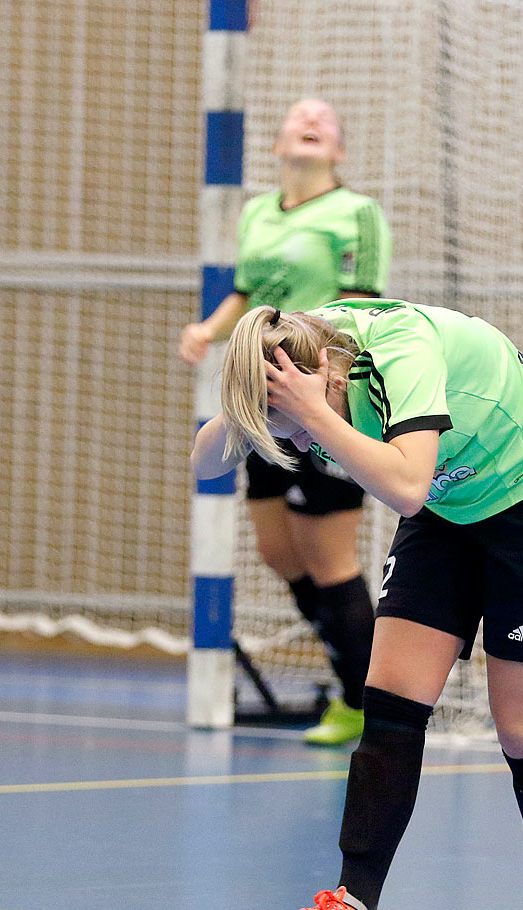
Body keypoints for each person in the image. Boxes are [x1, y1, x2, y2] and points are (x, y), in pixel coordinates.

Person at [191, 299, 523, 910]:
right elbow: (206, 462)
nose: (299, 445)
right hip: (454, 503)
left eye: (295, 426)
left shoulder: (399, 354)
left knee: (521, 729)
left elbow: (408, 487)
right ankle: (354, 908)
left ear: (328, 373)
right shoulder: (297, 356)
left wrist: (315, 415)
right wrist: (249, 406)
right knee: (388, 701)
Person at [179, 98, 392, 746]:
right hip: (263, 397)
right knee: (278, 551)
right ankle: (347, 674)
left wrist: (322, 386)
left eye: (326, 120)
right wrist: (208, 330)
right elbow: (248, 292)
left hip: (318, 396)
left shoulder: (356, 213)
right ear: (277, 145)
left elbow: (363, 305)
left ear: (338, 151)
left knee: (329, 558)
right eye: (299, 116)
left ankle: (369, 704)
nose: (312, 120)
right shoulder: (257, 213)